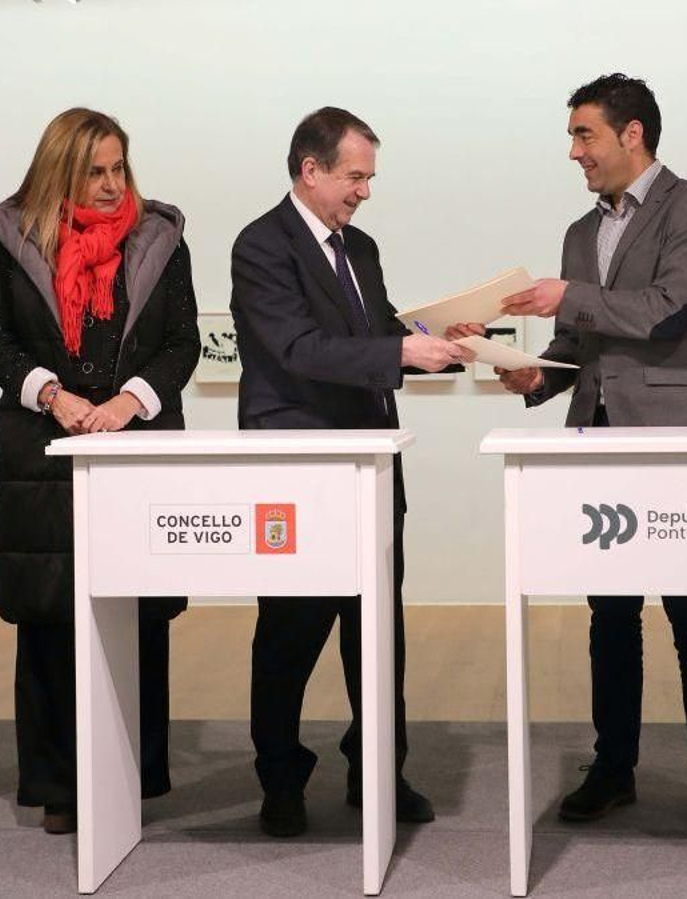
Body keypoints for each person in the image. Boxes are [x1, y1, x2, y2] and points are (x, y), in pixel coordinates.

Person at [468, 73, 687, 832]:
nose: (573, 151)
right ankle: (614, 766)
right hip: (597, 439)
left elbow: (669, 311)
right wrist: (531, 373)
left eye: (584, 134)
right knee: (610, 612)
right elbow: (579, 343)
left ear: (632, 134)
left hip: (676, 440)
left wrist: (568, 298)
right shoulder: (579, 232)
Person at [230, 106, 471, 838]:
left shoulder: (358, 247)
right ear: (310, 170)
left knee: (377, 624)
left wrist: (443, 338)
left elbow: (376, 336)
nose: (364, 190)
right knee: (290, 627)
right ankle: (280, 777)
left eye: (369, 177)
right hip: (300, 464)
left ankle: (378, 770)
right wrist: (402, 353)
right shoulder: (261, 246)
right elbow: (298, 349)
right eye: (354, 176)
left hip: (370, 459)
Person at [0, 108, 200, 834]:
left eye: (118, 169)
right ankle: (60, 784)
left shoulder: (162, 238)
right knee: (49, 614)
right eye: (94, 171)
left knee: (137, 614)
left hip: (135, 445)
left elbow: (181, 343)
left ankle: (135, 771)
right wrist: (52, 392)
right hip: (44, 451)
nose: (110, 185)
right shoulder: (14, 235)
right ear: (62, 172)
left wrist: (130, 402)